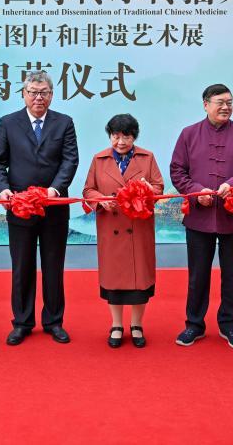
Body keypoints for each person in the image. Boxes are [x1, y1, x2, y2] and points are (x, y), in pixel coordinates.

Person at [170, 83, 233, 350]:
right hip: (199, 216)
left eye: (230, 102)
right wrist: (196, 191)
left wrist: (232, 184)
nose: (225, 107)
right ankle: (194, 324)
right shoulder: (189, 134)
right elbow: (177, 170)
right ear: (205, 104)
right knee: (198, 274)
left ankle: (230, 324)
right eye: (220, 102)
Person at [0, 70, 79, 345]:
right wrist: (3, 189)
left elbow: (70, 160)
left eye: (44, 93)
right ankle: (22, 322)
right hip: (20, 206)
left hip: (54, 207)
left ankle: (54, 321)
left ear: (51, 95)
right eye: (33, 92)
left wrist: (55, 189)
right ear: (24, 94)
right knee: (22, 266)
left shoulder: (64, 123)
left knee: (53, 266)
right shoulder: (8, 123)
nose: (38, 97)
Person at [82, 114, 163, 348]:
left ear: (134, 137)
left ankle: (136, 324)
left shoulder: (147, 158)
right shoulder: (99, 159)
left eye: (126, 136)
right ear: (110, 136)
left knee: (139, 282)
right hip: (111, 226)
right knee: (114, 280)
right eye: (115, 136)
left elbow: (158, 187)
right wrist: (101, 200)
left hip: (138, 226)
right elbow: (88, 190)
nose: (120, 142)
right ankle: (116, 325)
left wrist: (148, 190)